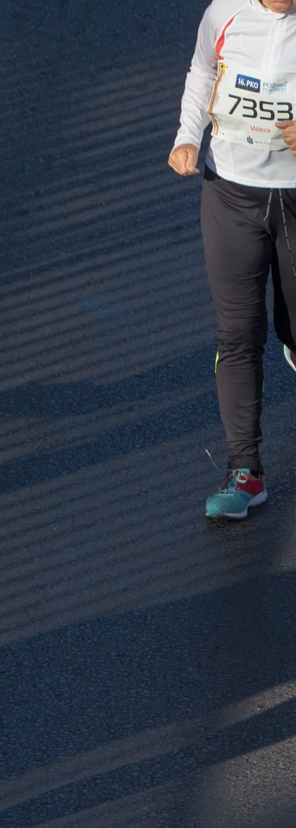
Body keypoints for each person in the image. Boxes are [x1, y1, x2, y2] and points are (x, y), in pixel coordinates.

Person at [171, 0, 296, 519]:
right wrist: (186, 136)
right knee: (239, 335)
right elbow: (203, 71)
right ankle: (245, 472)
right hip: (230, 193)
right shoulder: (222, 12)